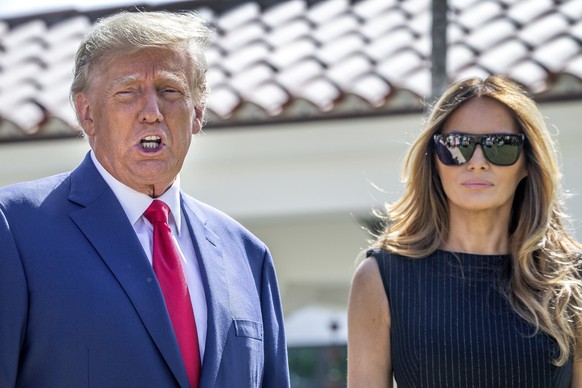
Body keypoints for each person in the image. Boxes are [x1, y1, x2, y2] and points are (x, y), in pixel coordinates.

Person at [0, 10, 289, 388]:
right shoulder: (15, 229)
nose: (152, 112)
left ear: (197, 113)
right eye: (128, 92)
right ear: (87, 113)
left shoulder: (249, 256)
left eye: (170, 91)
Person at [347, 75, 582, 387]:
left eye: (500, 146)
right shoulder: (381, 279)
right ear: (434, 160)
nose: (477, 162)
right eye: (457, 145)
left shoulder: (570, 279)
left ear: (527, 162)